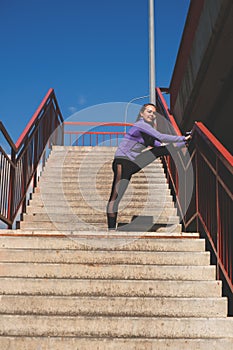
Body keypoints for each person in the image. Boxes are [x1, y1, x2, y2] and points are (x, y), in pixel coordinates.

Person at [106, 103, 191, 230]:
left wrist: (183, 143)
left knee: (158, 151)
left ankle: (187, 142)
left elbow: (161, 145)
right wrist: (183, 138)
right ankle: (111, 230)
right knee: (116, 197)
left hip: (132, 163)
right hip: (122, 161)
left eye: (153, 113)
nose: (151, 115)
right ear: (142, 113)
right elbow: (161, 137)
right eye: (149, 111)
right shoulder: (141, 125)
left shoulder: (147, 134)